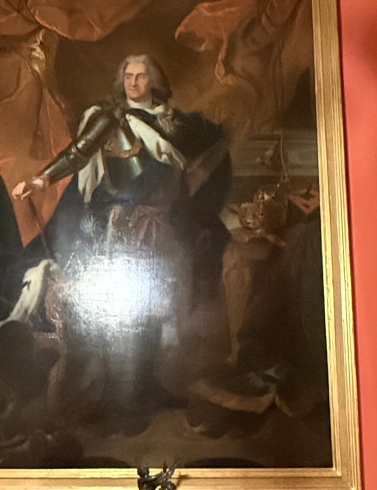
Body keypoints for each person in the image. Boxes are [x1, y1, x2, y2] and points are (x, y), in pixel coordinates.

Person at [12, 55, 231, 419]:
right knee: (121, 310)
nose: (133, 82)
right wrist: (41, 180)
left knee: (155, 308)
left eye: (141, 76)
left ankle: (148, 386)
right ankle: (114, 396)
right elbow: (78, 153)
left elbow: (197, 163)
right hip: (121, 227)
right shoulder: (110, 118)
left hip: (160, 226)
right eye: (128, 76)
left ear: (154, 81)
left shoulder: (169, 121)